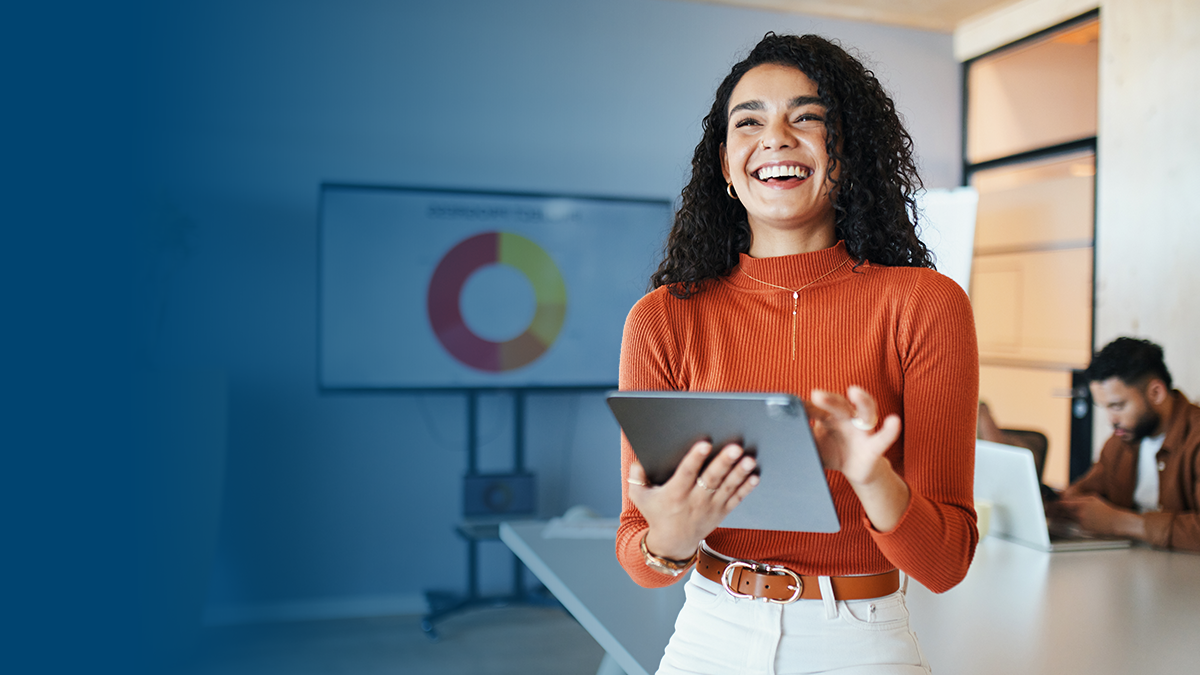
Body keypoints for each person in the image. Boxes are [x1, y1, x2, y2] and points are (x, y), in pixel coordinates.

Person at [616, 33, 979, 674]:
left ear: (847, 153)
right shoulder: (663, 318)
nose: (776, 137)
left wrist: (871, 477)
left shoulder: (927, 304)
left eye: (807, 117)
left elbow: (945, 565)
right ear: (725, 167)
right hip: (709, 629)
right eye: (748, 122)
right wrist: (671, 537)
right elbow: (637, 553)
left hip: (860, 638)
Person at [1053, 337, 1200, 552]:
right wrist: (1059, 505)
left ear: (1156, 393)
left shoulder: (1195, 438)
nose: (1111, 420)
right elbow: (1087, 490)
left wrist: (1119, 522)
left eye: (1118, 405)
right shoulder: (1122, 441)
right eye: (1105, 407)